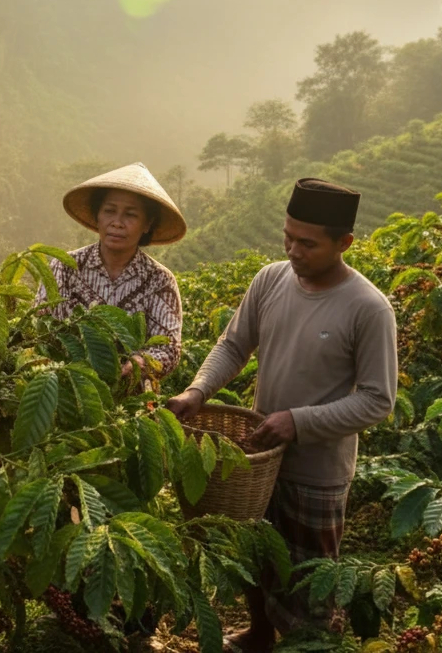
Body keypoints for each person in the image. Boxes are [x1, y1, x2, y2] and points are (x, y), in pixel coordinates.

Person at [165, 178, 398, 653]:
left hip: (317, 472)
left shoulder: (368, 308)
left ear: (344, 243)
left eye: (307, 243)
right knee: (256, 556)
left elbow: (378, 399)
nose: (292, 250)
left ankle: (307, 644)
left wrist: (298, 421)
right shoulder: (270, 280)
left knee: (309, 577)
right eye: (288, 237)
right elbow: (234, 345)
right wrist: (197, 391)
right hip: (256, 459)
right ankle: (260, 634)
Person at [35, 162, 187, 381]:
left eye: (130, 215)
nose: (117, 223)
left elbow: (168, 347)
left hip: (130, 395)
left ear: (147, 224)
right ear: (97, 216)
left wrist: (140, 363)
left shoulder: (160, 280)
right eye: (109, 211)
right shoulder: (65, 266)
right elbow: (42, 326)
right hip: (67, 385)